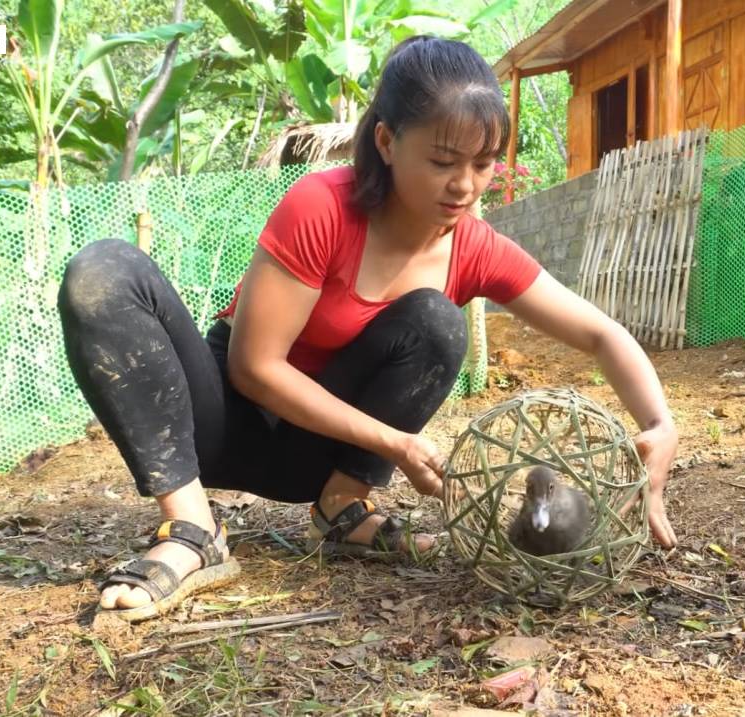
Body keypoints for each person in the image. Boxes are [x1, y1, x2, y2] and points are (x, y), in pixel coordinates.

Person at [57, 35, 679, 623]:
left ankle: (342, 509)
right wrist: (398, 443)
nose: (464, 185)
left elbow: (602, 335)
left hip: (317, 457)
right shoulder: (322, 206)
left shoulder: (475, 248)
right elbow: (254, 368)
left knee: (435, 319)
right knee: (104, 271)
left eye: (484, 164)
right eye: (442, 160)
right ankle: (194, 530)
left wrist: (661, 425)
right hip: (221, 425)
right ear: (386, 141)